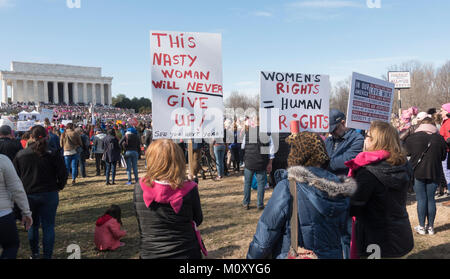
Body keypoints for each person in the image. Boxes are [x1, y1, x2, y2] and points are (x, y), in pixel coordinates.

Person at [247, 132, 356, 259]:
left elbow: (265, 235)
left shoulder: (288, 187)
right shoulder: (340, 188)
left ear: (296, 154)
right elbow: (348, 236)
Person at [347, 121, 414, 258]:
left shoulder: (367, 172)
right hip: (399, 231)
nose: (365, 138)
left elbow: (354, 207)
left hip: (375, 238)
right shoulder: (403, 163)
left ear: (377, 141)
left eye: (368, 135)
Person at [133, 139, 204, 259]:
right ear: (179, 160)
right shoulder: (190, 189)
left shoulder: (139, 187)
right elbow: (198, 219)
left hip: (150, 253)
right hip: (186, 252)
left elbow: (141, 220)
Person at [13, 125, 68, 259]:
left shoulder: (22, 155)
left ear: (30, 137)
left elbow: (16, 176)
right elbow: (63, 173)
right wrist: (59, 186)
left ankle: (35, 253)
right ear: (47, 136)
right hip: (47, 194)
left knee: (33, 225)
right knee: (47, 226)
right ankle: (46, 255)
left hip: (31, 194)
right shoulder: (52, 153)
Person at [324, 109, 364, 259]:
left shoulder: (357, 139)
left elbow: (347, 161)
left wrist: (324, 163)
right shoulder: (329, 140)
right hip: (329, 191)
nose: (332, 133)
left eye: (334, 129)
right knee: (331, 233)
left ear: (343, 123)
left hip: (346, 193)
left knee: (347, 235)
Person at [404, 117, 447, 235]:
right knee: (431, 199)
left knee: (421, 199)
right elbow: (443, 157)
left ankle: (422, 227)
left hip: (418, 172)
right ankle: (431, 227)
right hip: (434, 171)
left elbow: (406, 152)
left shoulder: (413, 137)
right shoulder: (440, 139)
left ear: (421, 125)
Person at [0, 154, 33, 259]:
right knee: (11, 246)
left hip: (3, 211)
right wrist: (26, 211)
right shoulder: (3, 160)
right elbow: (16, 188)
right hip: (3, 214)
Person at [242, 123, 275, 210]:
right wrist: (270, 163)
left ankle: (246, 203)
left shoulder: (247, 133)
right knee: (261, 184)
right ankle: (260, 204)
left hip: (249, 162)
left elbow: (243, 147)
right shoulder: (267, 134)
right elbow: (271, 150)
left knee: (247, 183)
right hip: (261, 162)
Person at [439, 103, 450, 196]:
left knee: (447, 173)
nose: (440, 112)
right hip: (445, 149)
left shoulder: (448, 122)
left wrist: (444, 140)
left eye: (442, 110)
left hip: (447, 150)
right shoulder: (445, 121)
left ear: (447, 111)